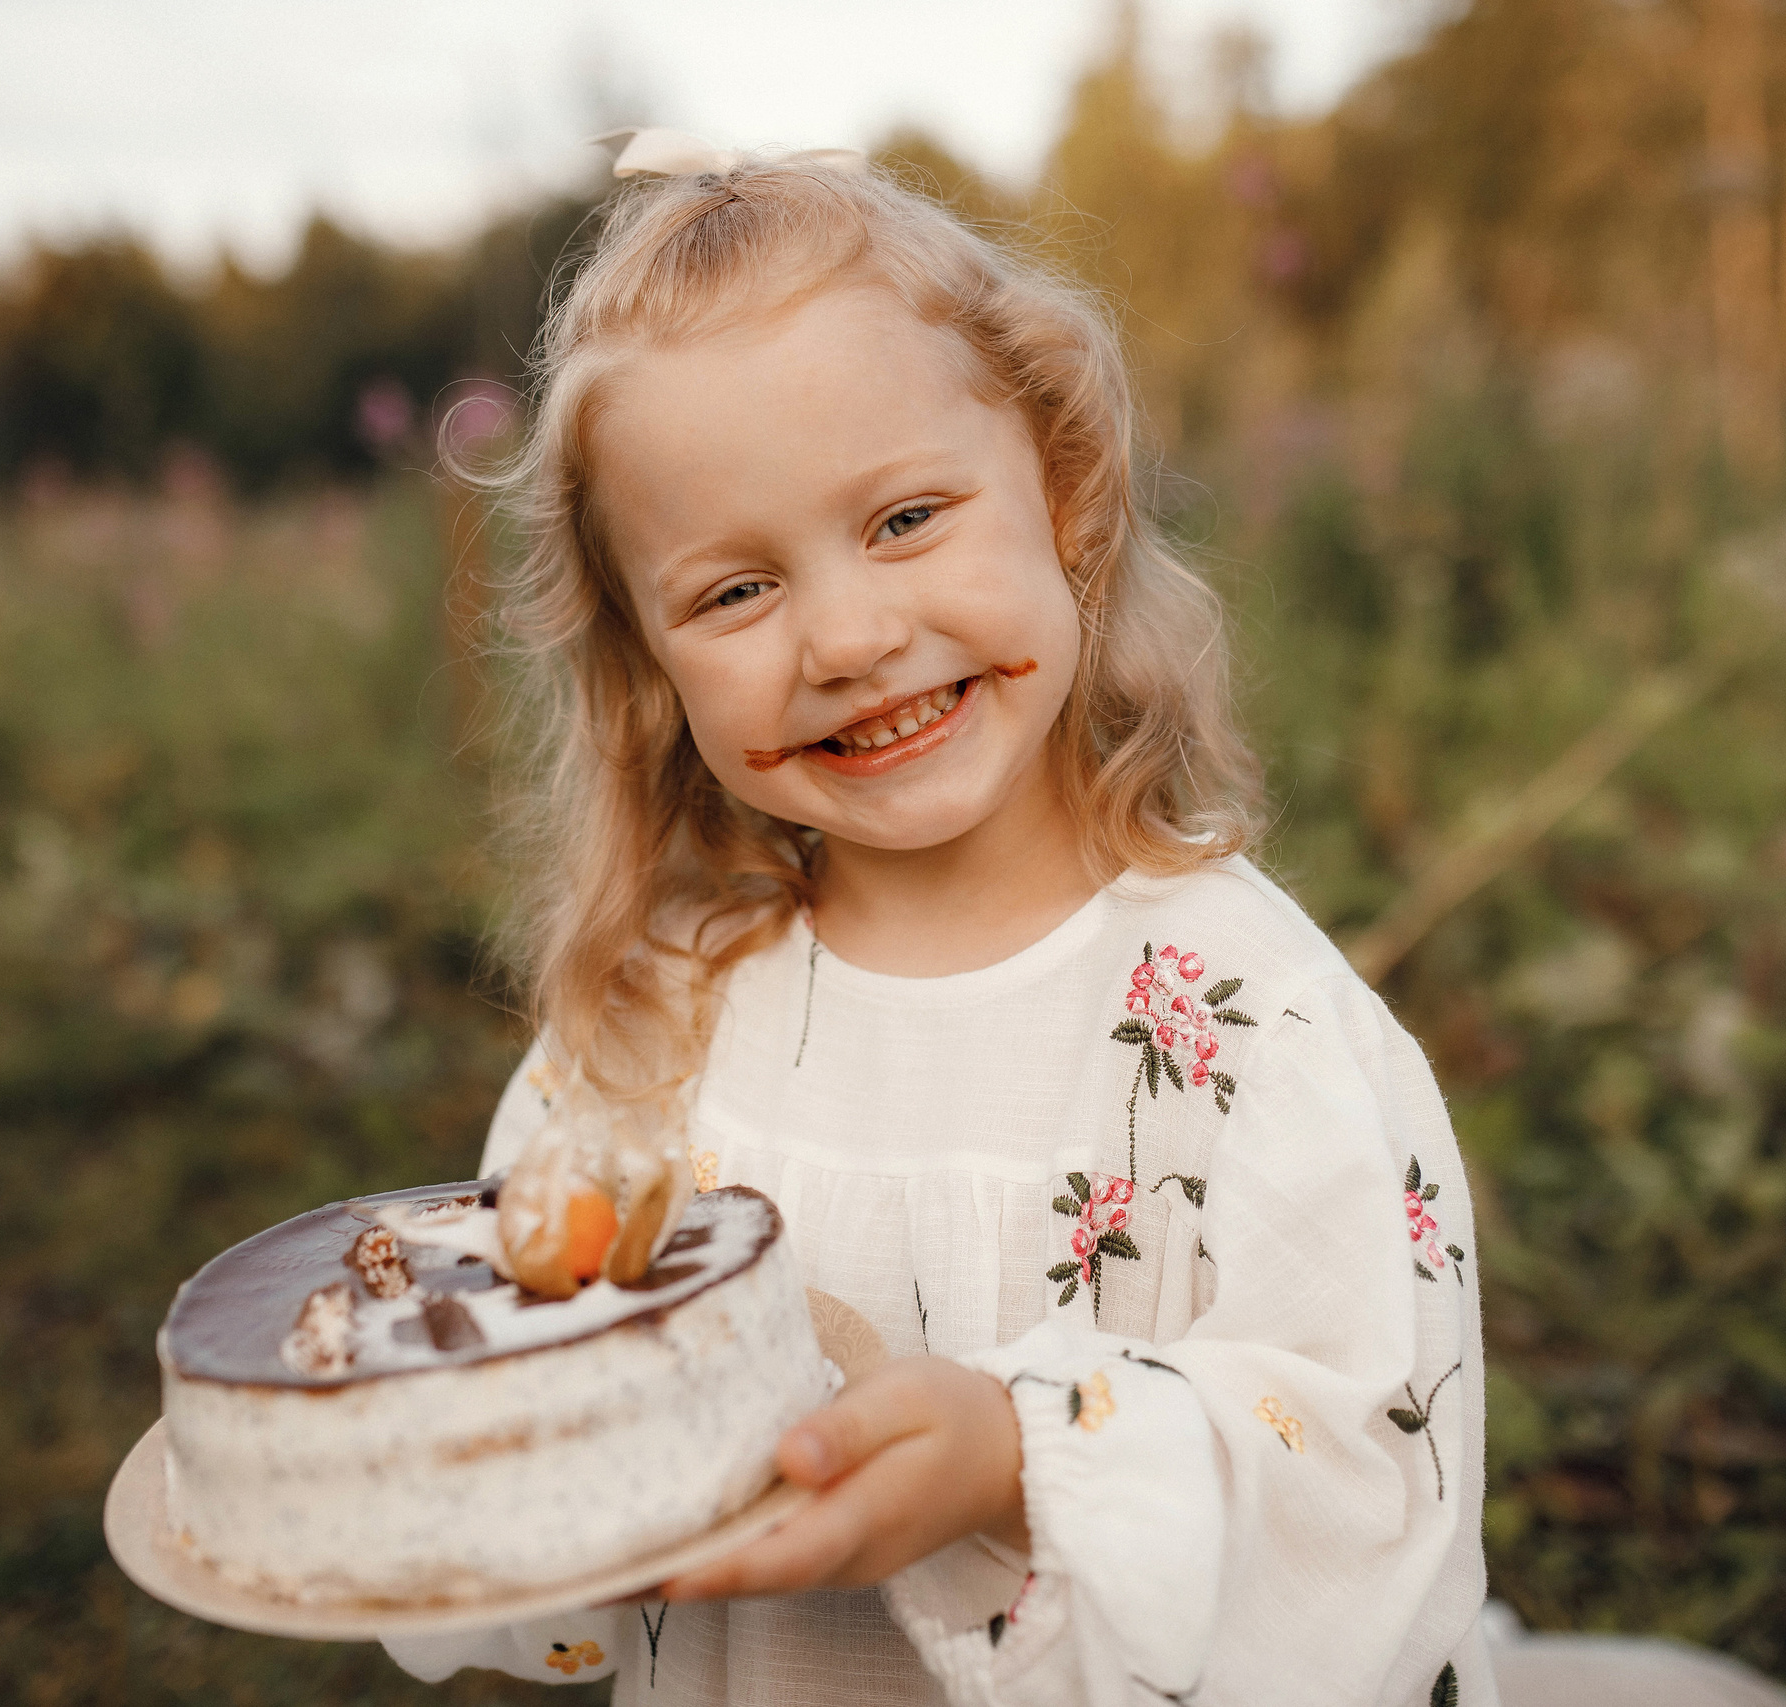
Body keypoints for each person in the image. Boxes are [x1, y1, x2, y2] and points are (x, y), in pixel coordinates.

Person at [384, 137, 1496, 1707]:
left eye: (906, 520)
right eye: (732, 594)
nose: (847, 635)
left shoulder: (1242, 1019)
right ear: (648, 668)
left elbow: (1373, 1489)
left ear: (1067, 493)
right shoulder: (651, 1024)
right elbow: (530, 1406)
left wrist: (1017, 1461)